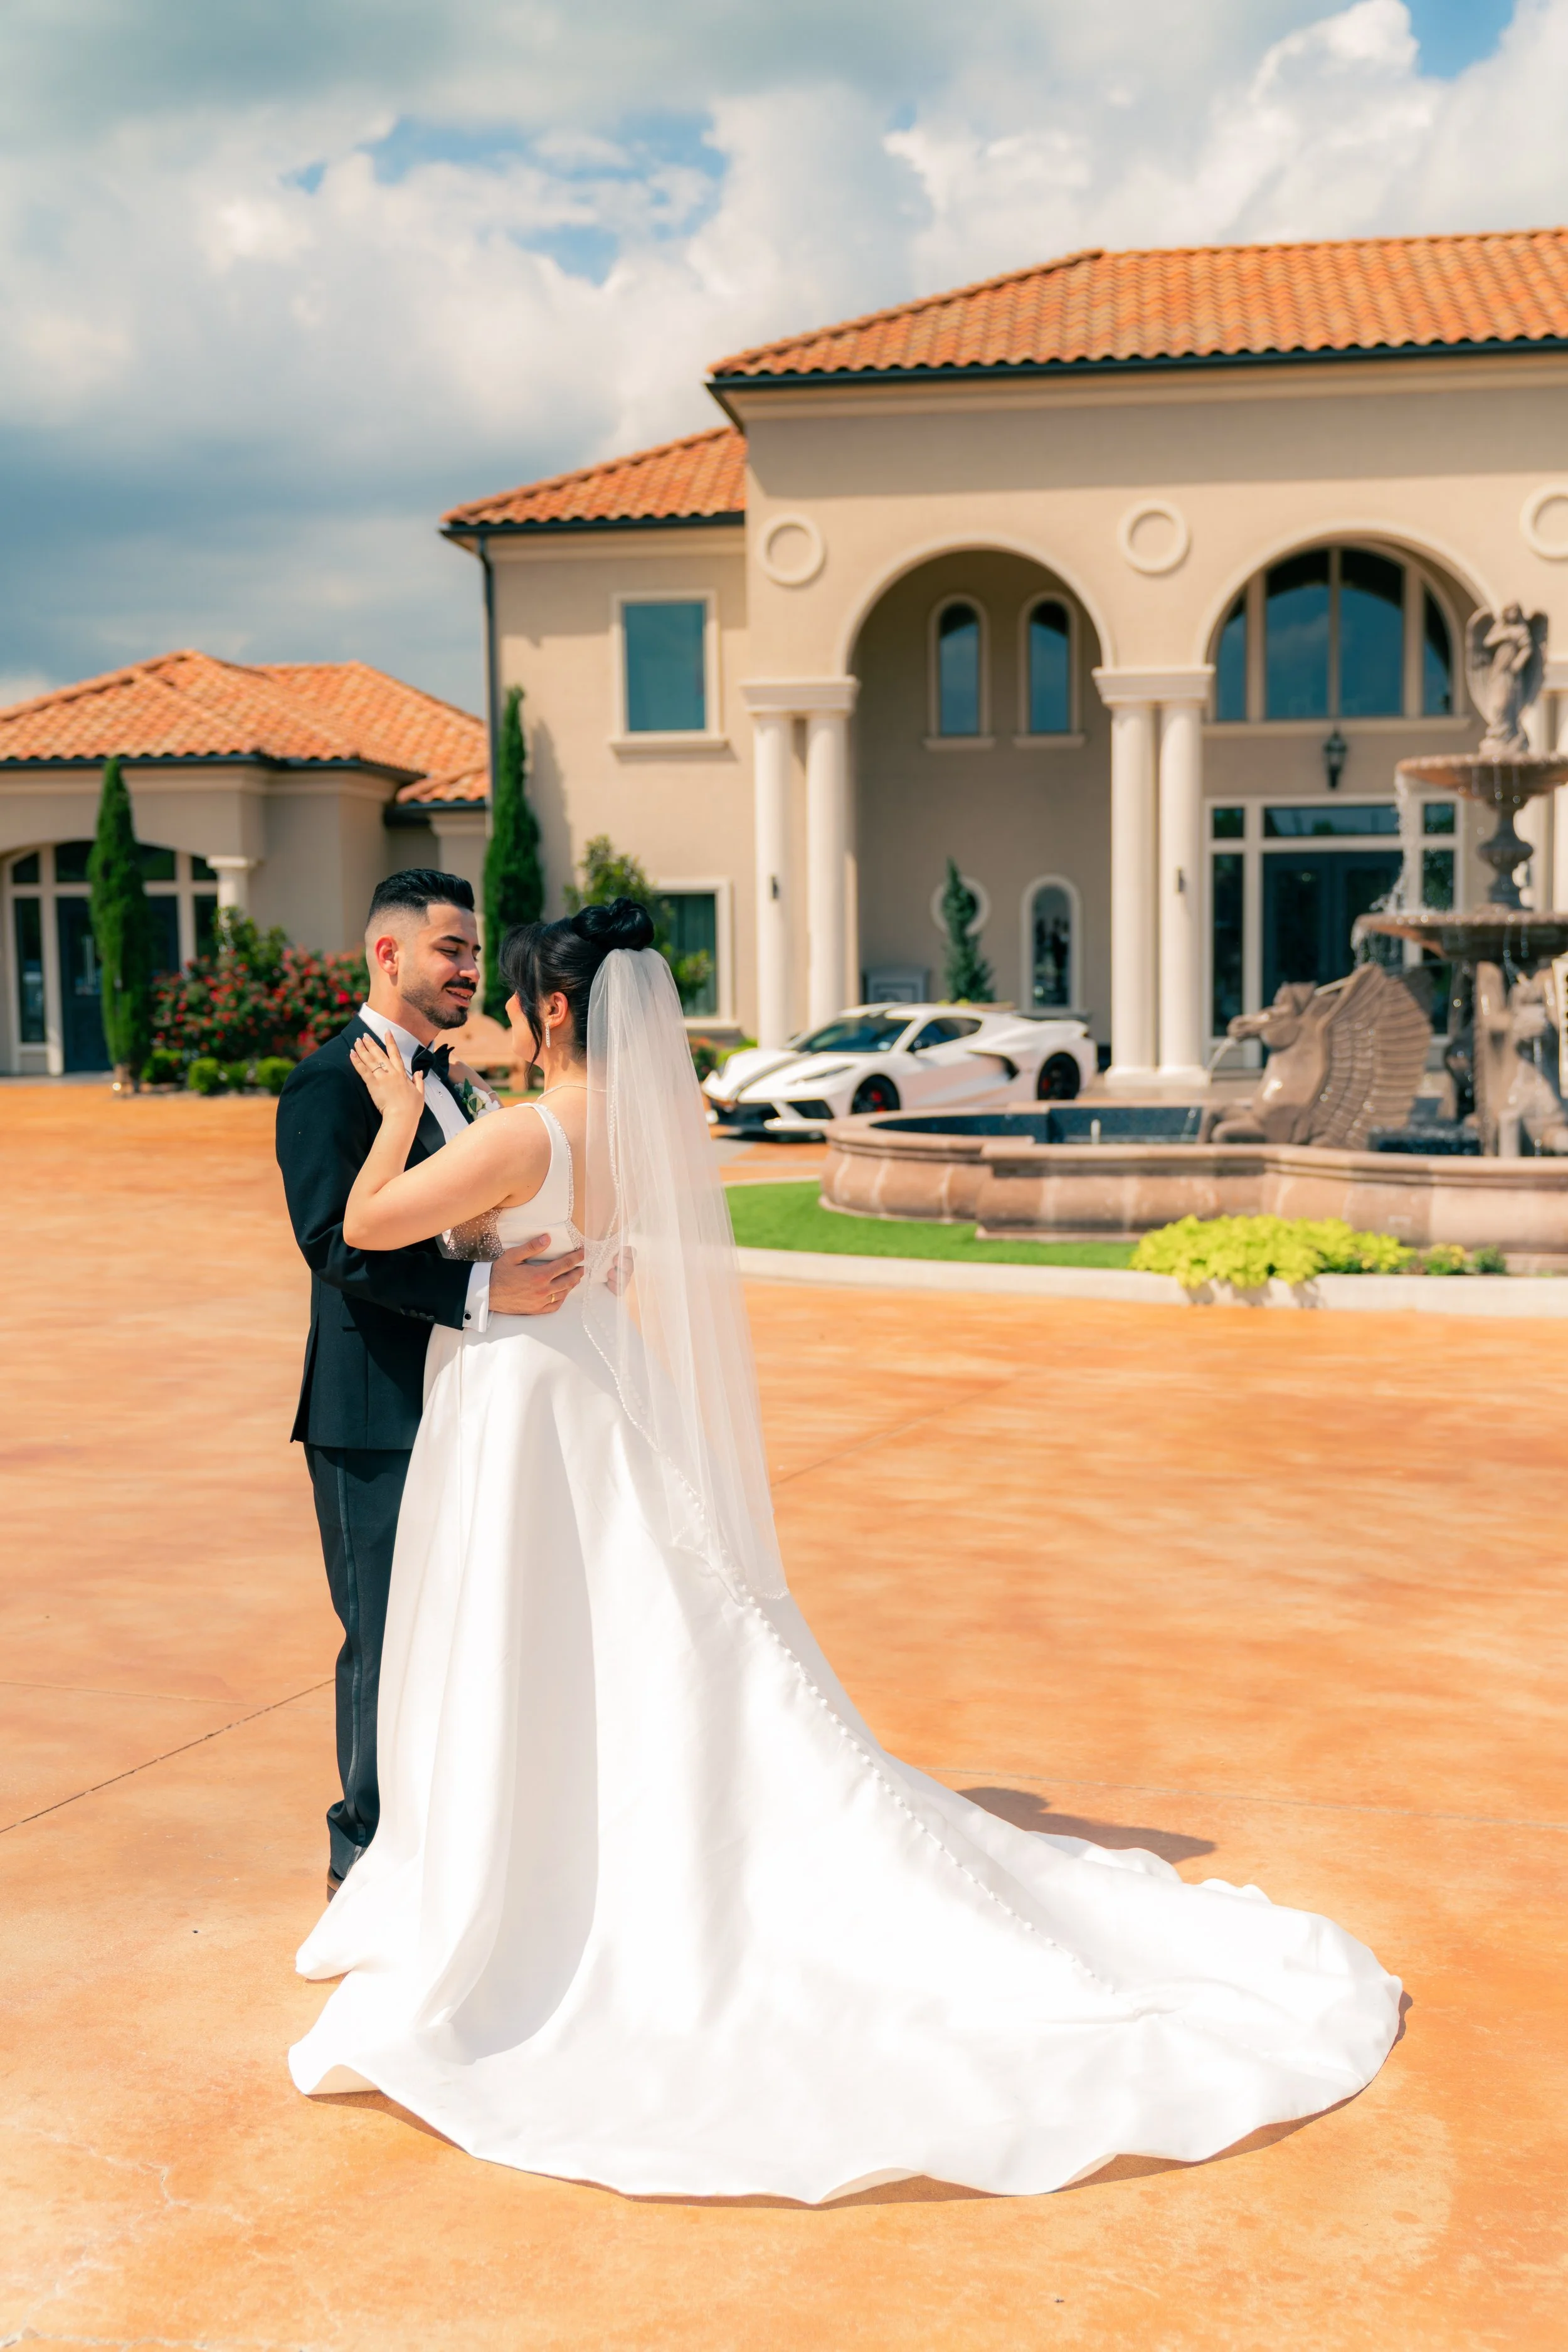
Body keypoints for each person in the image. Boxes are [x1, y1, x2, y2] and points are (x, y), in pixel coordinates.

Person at [287, 899, 1401, 2204]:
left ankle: (532, 1858)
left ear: (546, 1012)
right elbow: (602, 1254)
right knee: (633, 1619)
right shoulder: (629, 1136)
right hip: (588, 1371)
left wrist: (410, 1123)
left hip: (529, 1394)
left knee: (539, 1628)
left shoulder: (526, 1126)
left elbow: (364, 1226)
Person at [275, 871, 582, 1900]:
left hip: (469, 1405)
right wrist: (491, 1288)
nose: (470, 969)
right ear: (389, 955)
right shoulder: (326, 1085)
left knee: (455, 1628)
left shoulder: (456, 1084)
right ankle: (359, 1859)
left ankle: (444, 1843)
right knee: (382, 1637)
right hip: (376, 1413)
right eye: (451, 949)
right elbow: (337, 1248)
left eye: (475, 952)